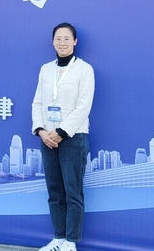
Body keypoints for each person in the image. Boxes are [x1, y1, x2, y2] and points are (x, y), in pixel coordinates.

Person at [31, 22, 95, 251]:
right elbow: (37, 102)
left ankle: (70, 242)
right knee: (54, 191)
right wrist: (41, 131)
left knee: (72, 192)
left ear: (75, 41)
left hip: (73, 138)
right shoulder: (45, 69)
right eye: (58, 38)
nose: (62, 42)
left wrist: (60, 132)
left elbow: (83, 107)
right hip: (47, 139)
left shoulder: (84, 69)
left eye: (67, 38)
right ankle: (58, 238)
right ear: (52, 42)